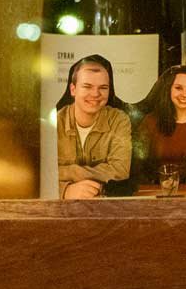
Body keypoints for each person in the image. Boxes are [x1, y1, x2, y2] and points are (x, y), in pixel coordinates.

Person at [54, 54, 133, 199]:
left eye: (103, 88)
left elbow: (120, 170)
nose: (95, 94)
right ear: (73, 89)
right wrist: (65, 191)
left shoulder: (119, 120)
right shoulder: (53, 123)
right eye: (87, 86)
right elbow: (40, 175)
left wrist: (66, 172)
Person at [133, 65, 186, 186]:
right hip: (157, 189)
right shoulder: (150, 121)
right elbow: (137, 164)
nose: (184, 94)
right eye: (178, 88)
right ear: (169, 89)